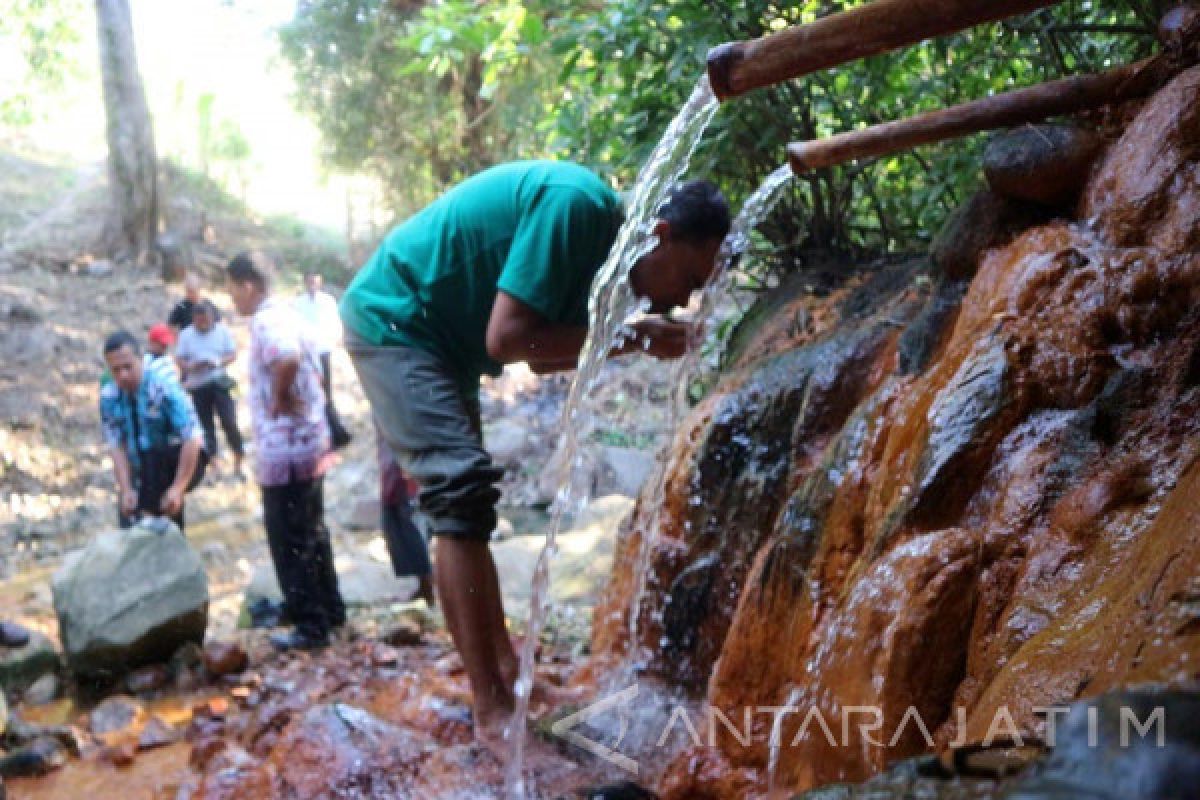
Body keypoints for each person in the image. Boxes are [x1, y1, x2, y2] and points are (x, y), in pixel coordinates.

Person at [340, 160, 729, 745]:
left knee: (463, 503)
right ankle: (491, 707)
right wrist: (642, 336)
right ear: (663, 236)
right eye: (691, 280)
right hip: (396, 322)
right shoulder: (579, 208)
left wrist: (637, 336)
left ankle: (510, 677)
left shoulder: (606, 261)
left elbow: (544, 355)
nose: (683, 299)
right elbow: (508, 337)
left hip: (441, 343)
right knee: (461, 494)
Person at [226, 251, 345, 651]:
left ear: (248, 286)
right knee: (313, 529)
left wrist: (278, 396)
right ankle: (330, 610)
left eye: (232, 289)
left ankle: (311, 627)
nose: (232, 299)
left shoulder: (267, 319)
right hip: (309, 440)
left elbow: (287, 357)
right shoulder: (291, 312)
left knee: (288, 536)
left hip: (286, 449)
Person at [100, 331, 205, 530]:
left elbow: (192, 437)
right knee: (130, 515)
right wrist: (126, 489)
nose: (123, 375)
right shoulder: (109, 396)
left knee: (161, 513)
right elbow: (116, 444)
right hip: (139, 463)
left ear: (139, 360)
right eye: (116, 370)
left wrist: (178, 488)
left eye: (128, 367)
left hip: (174, 458)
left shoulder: (162, 386)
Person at [176, 300, 244, 478]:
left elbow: (232, 354)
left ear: (212, 318)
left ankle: (238, 462)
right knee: (205, 427)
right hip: (198, 385)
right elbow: (179, 359)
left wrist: (218, 362)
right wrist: (190, 367)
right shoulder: (186, 335)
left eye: (205, 321)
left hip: (220, 382)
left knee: (229, 421)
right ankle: (214, 465)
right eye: (199, 321)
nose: (203, 324)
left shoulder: (222, 332)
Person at [294, 272, 351, 449]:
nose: (312, 284)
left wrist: (333, 342)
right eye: (309, 280)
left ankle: (335, 432)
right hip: (306, 353)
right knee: (311, 392)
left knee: (326, 392)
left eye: (315, 281)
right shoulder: (298, 303)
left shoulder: (327, 301)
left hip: (323, 351)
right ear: (305, 282)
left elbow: (335, 324)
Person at [379, 432, 435, 606]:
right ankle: (425, 586)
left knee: (409, 522)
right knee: (398, 519)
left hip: (405, 457)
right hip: (396, 452)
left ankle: (428, 588)